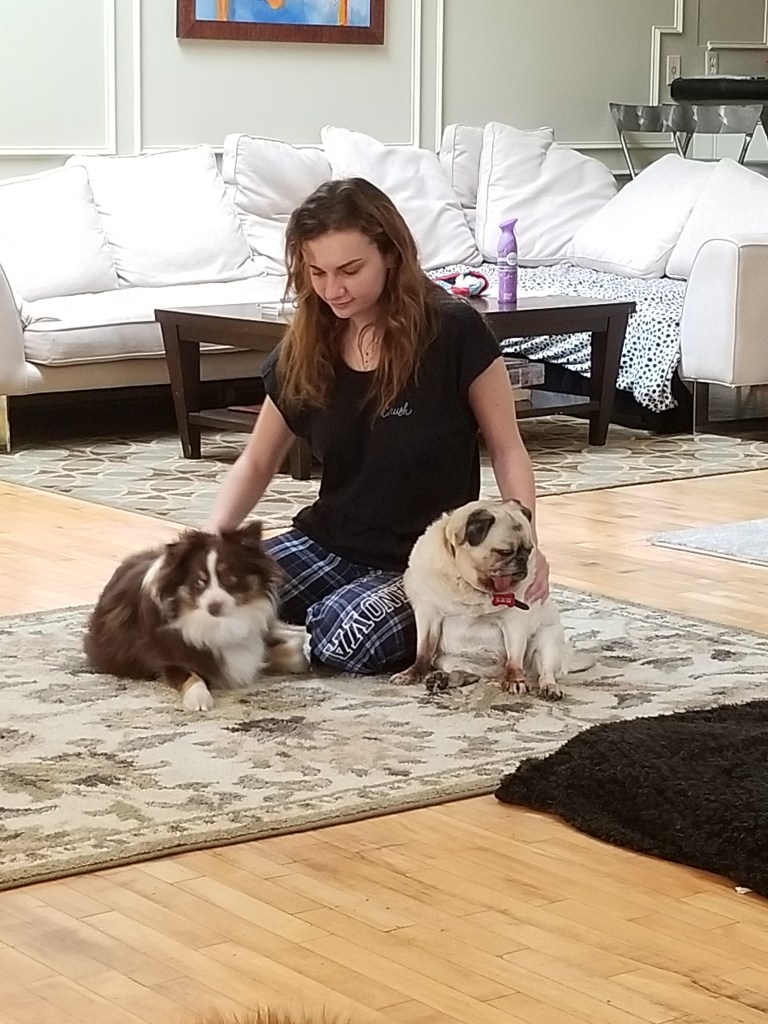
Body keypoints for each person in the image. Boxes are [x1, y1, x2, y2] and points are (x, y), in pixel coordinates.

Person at [204, 177, 549, 674]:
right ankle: (285, 630)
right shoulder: (306, 345)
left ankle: (282, 631)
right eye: (317, 272)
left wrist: (529, 549)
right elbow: (257, 462)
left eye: (349, 270)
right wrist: (210, 544)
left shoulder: (455, 331)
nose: (332, 289)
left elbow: (508, 448)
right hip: (325, 541)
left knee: (348, 638)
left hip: (424, 560)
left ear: (390, 254)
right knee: (201, 597)